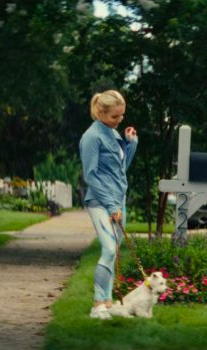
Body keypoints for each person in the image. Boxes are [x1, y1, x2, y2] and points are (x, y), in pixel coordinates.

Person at [79, 90, 138, 320]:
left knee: (113, 253)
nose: (119, 119)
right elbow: (90, 175)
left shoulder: (112, 133)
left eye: (122, 115)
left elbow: (120, 170)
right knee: (109, 248)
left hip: (117, 200)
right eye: (115, 116)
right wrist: (111, 204)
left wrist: (131, 145)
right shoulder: (92, 137)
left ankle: (108, 301)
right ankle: (97, 305)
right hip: (100, 201)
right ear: (101, 112)